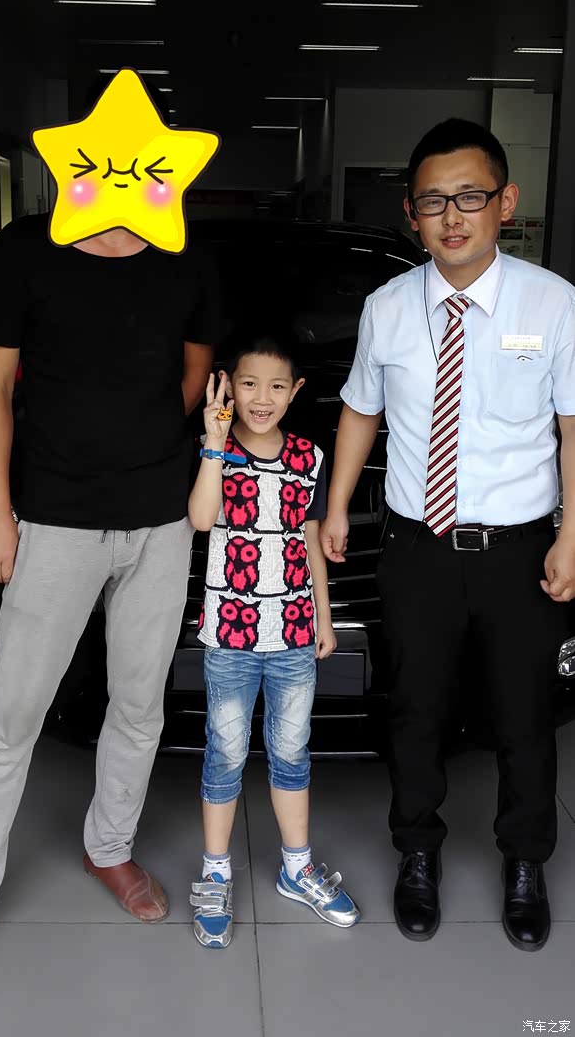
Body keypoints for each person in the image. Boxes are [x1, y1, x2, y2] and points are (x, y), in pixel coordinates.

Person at [0, 212, 220, 996]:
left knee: (139, 705)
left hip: (160, 522)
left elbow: (194, 373)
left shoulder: (184, 248)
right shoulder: (27, 247)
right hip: (53, 521)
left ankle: (109, 848)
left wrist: (136, 441)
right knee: (11, 716)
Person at [321, 118, 575, 951]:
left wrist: (573, 535)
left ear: (506, 202)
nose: (452, 216)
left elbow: (573, 429)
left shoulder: (554, 302)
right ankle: (417, 852)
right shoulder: (387, 307)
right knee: (417, 709)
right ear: (412, 214)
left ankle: (525, 861)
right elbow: (360, 410)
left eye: (470, 196)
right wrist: (335, 507)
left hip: (521, 550)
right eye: (433, 201)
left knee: (523, 715)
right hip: (418, 548)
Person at [187, 339, 360, 948]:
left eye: (277, 386)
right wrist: (213, 442)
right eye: (249, 384)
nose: (262, 398)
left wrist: (324, 618)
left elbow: (311, 542)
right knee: (225, 754)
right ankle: (215, 873)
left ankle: (297, 868)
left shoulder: (309, 457)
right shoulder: (216, 451)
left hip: (291, 632)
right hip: (230, 634)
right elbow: (202, 519)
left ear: (296, 391)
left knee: (291, 752)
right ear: (228, 386)